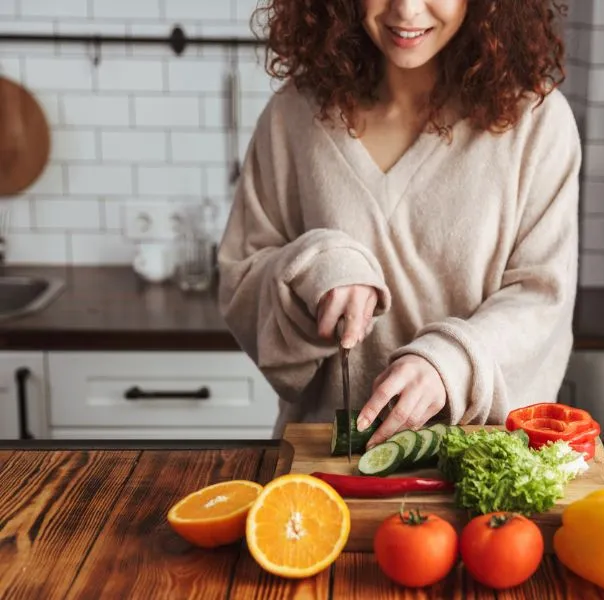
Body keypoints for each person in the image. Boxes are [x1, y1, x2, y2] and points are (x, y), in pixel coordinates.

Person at [217, 0, 581, 449]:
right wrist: (317, 269)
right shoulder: (293, 115)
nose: (407, 10)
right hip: (322, 466)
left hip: (476, 471)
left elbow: (541, 300)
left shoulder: (537, 122)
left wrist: (450, 364)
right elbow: (241, 279)